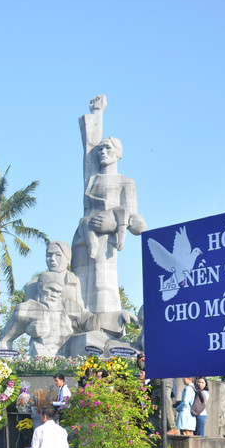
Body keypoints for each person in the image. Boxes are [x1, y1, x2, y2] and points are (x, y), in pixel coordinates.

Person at [71, 97, 146, 314]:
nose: (103, 152)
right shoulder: (92, 179)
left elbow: (133, 219)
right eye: (101, 149)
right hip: (84, 236)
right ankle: (82, 318)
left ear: (118, 153)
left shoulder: (126, 182)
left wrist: (113, 222)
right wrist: (97, 113)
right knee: (81, 281)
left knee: (102, 282)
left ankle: (106, 322)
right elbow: (88, 151)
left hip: (108, 238)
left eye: (108, 149)